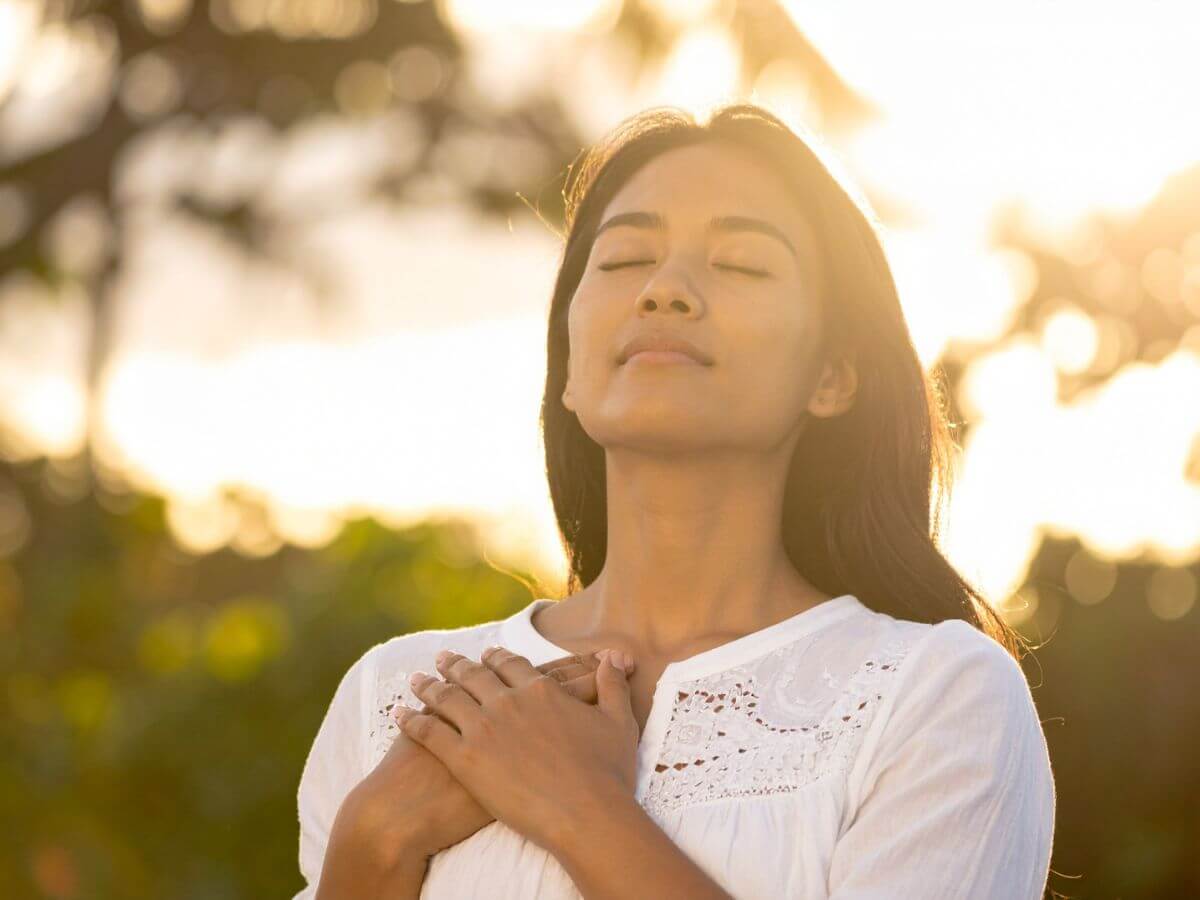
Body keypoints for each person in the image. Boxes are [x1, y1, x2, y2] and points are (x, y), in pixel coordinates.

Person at [293, 102, 1056, 899]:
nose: (665, 290)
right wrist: (373, 841)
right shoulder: (398, 694)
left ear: (833, 376)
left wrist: (577, 807)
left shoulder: (933, 693)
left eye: (742, 265)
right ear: (569, 366)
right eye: (625, 259)